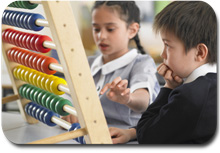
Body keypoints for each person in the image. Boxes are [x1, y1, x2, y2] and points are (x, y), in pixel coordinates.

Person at [109, 1, 217, 144]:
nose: (163, 54)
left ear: (200, 52)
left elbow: (147, 137)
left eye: (168, 45)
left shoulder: (190, 96)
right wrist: (131, 132)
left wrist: (168, 88)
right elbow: (175, 127)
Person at [62, 1, 160, 129]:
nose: (101, 36)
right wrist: (68, 108)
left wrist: (128, 98)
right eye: (96, 29)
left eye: (110, 29)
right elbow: (68, 93)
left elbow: (143, 100)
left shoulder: (141, 63)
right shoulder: (88, 63)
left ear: (132, 30)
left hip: (125, 138)